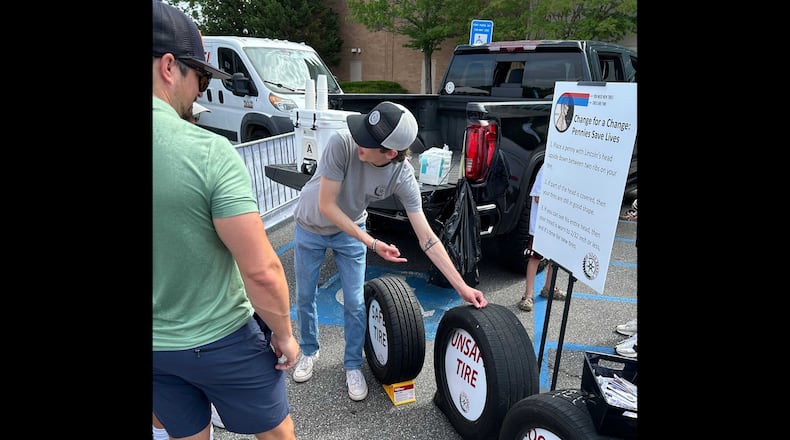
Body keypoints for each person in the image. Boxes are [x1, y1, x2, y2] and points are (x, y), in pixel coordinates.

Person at [152, 2, 299, 439]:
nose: (199, 91)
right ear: (168, 66)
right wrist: (284, 334)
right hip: (220, 336)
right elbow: (262, 270)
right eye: (199, 77)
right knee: (276, 433)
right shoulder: (207, 152)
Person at [291, 101, 488, 401]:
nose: (360, 141)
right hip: (311, 226)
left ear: (391, 153)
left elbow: (428, 238)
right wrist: (371, 242)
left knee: (356, 304)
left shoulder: (402, 176)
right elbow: (326, 206)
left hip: (350, 232)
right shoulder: (342, 144)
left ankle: (352, 365)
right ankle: (309, 351)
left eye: (369, 142)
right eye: (362, 133)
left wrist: (462, 287)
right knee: (305, 295)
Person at [518, 163, 567, 312]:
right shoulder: (548, 166)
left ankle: (549, 288)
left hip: (557, 222)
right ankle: (528, 295)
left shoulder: (567, 168)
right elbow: (538, 197)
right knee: (535, 257)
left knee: (555, 257)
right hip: (542, 224)